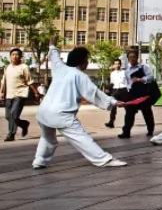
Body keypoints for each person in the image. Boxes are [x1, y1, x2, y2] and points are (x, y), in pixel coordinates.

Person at [33, 39, 127, 168]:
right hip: (62, 114)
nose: (87, 62)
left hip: (44, 112)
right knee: (81, 138)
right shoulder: (80, 76)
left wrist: (52, 45)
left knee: (47, 138)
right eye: (86, 59)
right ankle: (104, 160)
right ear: (81, 61)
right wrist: (114, 102)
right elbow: (94, 93)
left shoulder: (59, 68)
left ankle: (39, 161)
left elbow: (54, 56)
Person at [1, 47, 36, 141]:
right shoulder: (7, 67)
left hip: (20, 93)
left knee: (13, 114)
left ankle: (11, 134)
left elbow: (29, 81)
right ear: (10, 56)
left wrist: (36, 92)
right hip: (9, 94)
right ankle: (24, 124)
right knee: (8, 116)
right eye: (13, 55)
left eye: (17, 55)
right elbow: (3, 81)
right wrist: (1, 92)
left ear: (20, 56)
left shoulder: (24, 67)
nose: (15, 56)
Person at [119, 51, 155, 138]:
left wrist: (139, 79)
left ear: (137, 58)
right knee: (129, 113)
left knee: (147, 112)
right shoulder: (127, 71)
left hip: (143, 94)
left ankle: (150, 129)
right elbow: (127, 82)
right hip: (132, 94)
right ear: (128, 59)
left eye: (134, 57)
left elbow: (151, 77)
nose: (132, 58)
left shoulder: (143, 67)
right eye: (130, 57)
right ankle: (126, 132)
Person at [105, 59, 127, 129]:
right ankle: (111, 123)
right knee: (113, 107)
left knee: (127, 107)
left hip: (124, 90)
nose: (117, 65)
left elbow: (128, 82)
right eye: (115, 64)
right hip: (115, 91)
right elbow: (112, 83)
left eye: (118, 64)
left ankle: (127, 124)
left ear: (121, 64)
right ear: (113, 65)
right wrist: (109, 90)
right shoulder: (112, 73)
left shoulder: (125, 72)